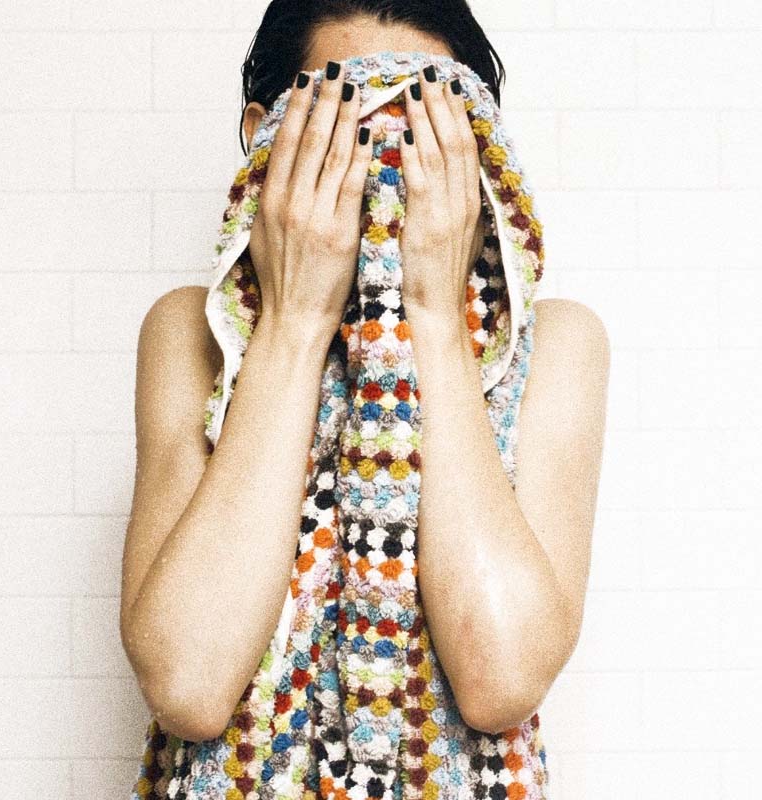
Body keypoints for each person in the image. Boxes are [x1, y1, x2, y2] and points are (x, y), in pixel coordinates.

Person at [119, 0, 610, 748]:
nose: (384, 165)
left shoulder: (555, 347)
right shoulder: (192, 332)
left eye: (423, 133)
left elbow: (502, 680)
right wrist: (294, 322)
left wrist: (434, 317)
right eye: (345, 128)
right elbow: (187, 686)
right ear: (266, 136)